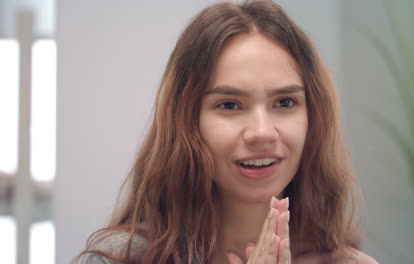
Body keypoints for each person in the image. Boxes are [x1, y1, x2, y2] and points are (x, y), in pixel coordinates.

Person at [77, 1, 378, 263]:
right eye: (230, 105)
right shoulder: (119, 258)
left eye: (285, 102)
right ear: (187, 121)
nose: (261, 132)